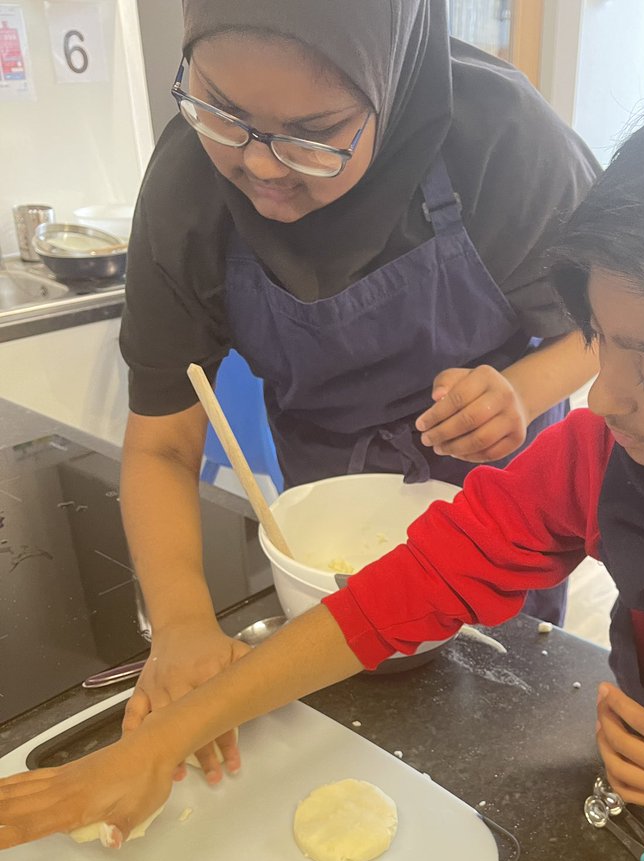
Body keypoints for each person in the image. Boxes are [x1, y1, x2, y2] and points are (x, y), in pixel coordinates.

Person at [3, 55, 644, 847]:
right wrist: (164, 736)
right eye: (601, 337)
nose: (601, 397)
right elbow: (404, 591)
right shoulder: (592, 461)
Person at [118, 0, 599, 775]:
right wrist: (179, 625)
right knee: (347, 753)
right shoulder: (187, 187)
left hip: (497, 513)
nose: (262, 166)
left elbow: (610, 323)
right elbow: (163, 444)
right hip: (327, 525)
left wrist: (520, 387)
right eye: (222, 109)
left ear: (391, 76)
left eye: (314, 134)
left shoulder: (503, 141)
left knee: (502, 744)